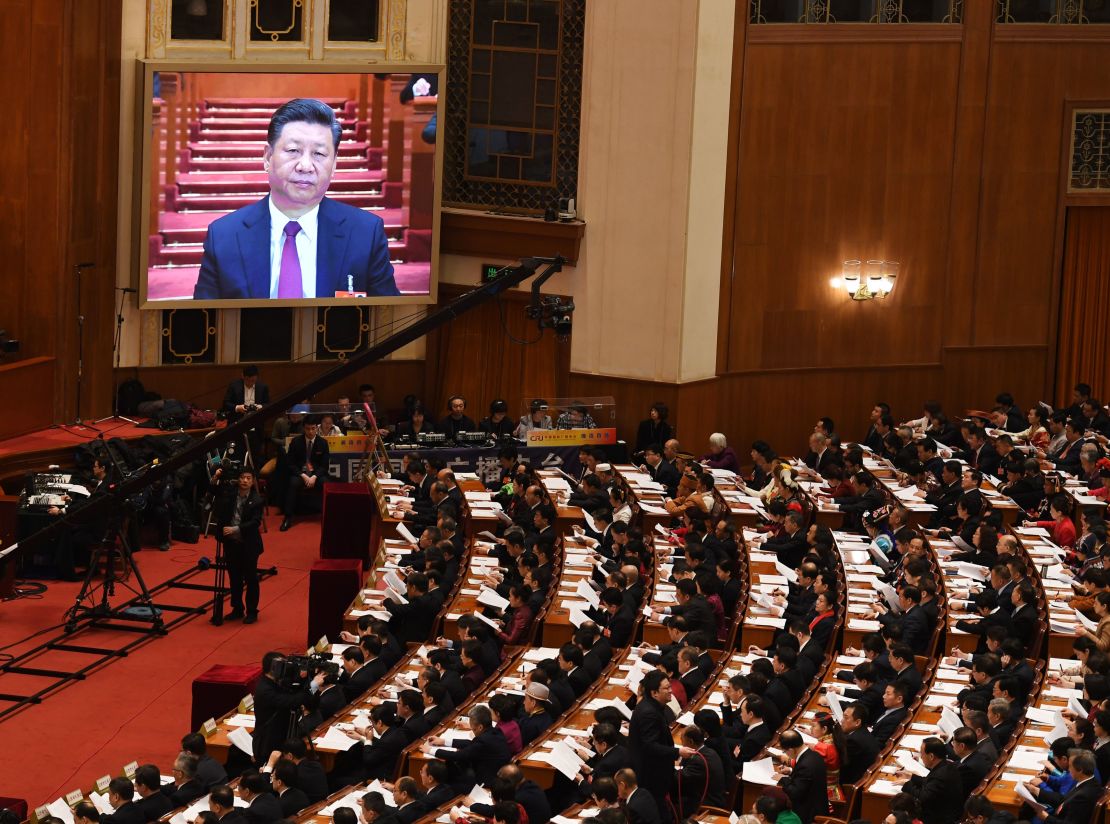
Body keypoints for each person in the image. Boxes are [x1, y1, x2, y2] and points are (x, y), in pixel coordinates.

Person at [193, 98, 399, 299]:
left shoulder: (365, 233)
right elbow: (205, 323)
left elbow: (386, 318)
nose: (305, 166)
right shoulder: (224, 236)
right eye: (293, 151)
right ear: (267, 157)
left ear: (334, 164)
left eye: (319, 154)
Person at [628, 671, 681, 821]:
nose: (671, 690)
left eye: (669, 686)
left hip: (655, 772)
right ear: (654, 693)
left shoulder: (653, 706)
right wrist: (677, 752)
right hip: (650, 775)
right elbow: (650, 746)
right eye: (666, 688)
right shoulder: (648, 712)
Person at [216, 467, 264, 623]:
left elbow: (255, 522)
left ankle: (252, 611)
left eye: (248, 478)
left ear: (252, 481)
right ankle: (237, 608)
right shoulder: (230, 495)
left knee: (250, 578)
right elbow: (215, 494)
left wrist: (235, 529)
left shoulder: (257, 500)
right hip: (231, 543)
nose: (245, 480)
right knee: (234, 578)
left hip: (248, 544)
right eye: (242, 477)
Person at [281, 417, 330, 531]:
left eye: (313, 428)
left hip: (316, 474)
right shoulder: (296, 442)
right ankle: (288, 517)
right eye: (308, 429)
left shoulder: (323, 443)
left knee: (326, 483)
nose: (310, 431)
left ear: (317, 428)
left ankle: (328, 516)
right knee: (292, 483)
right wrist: (302, 475)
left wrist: (314, 477)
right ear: (304, 428)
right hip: (300, 474)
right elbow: (290, 463)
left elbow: (324, 466)